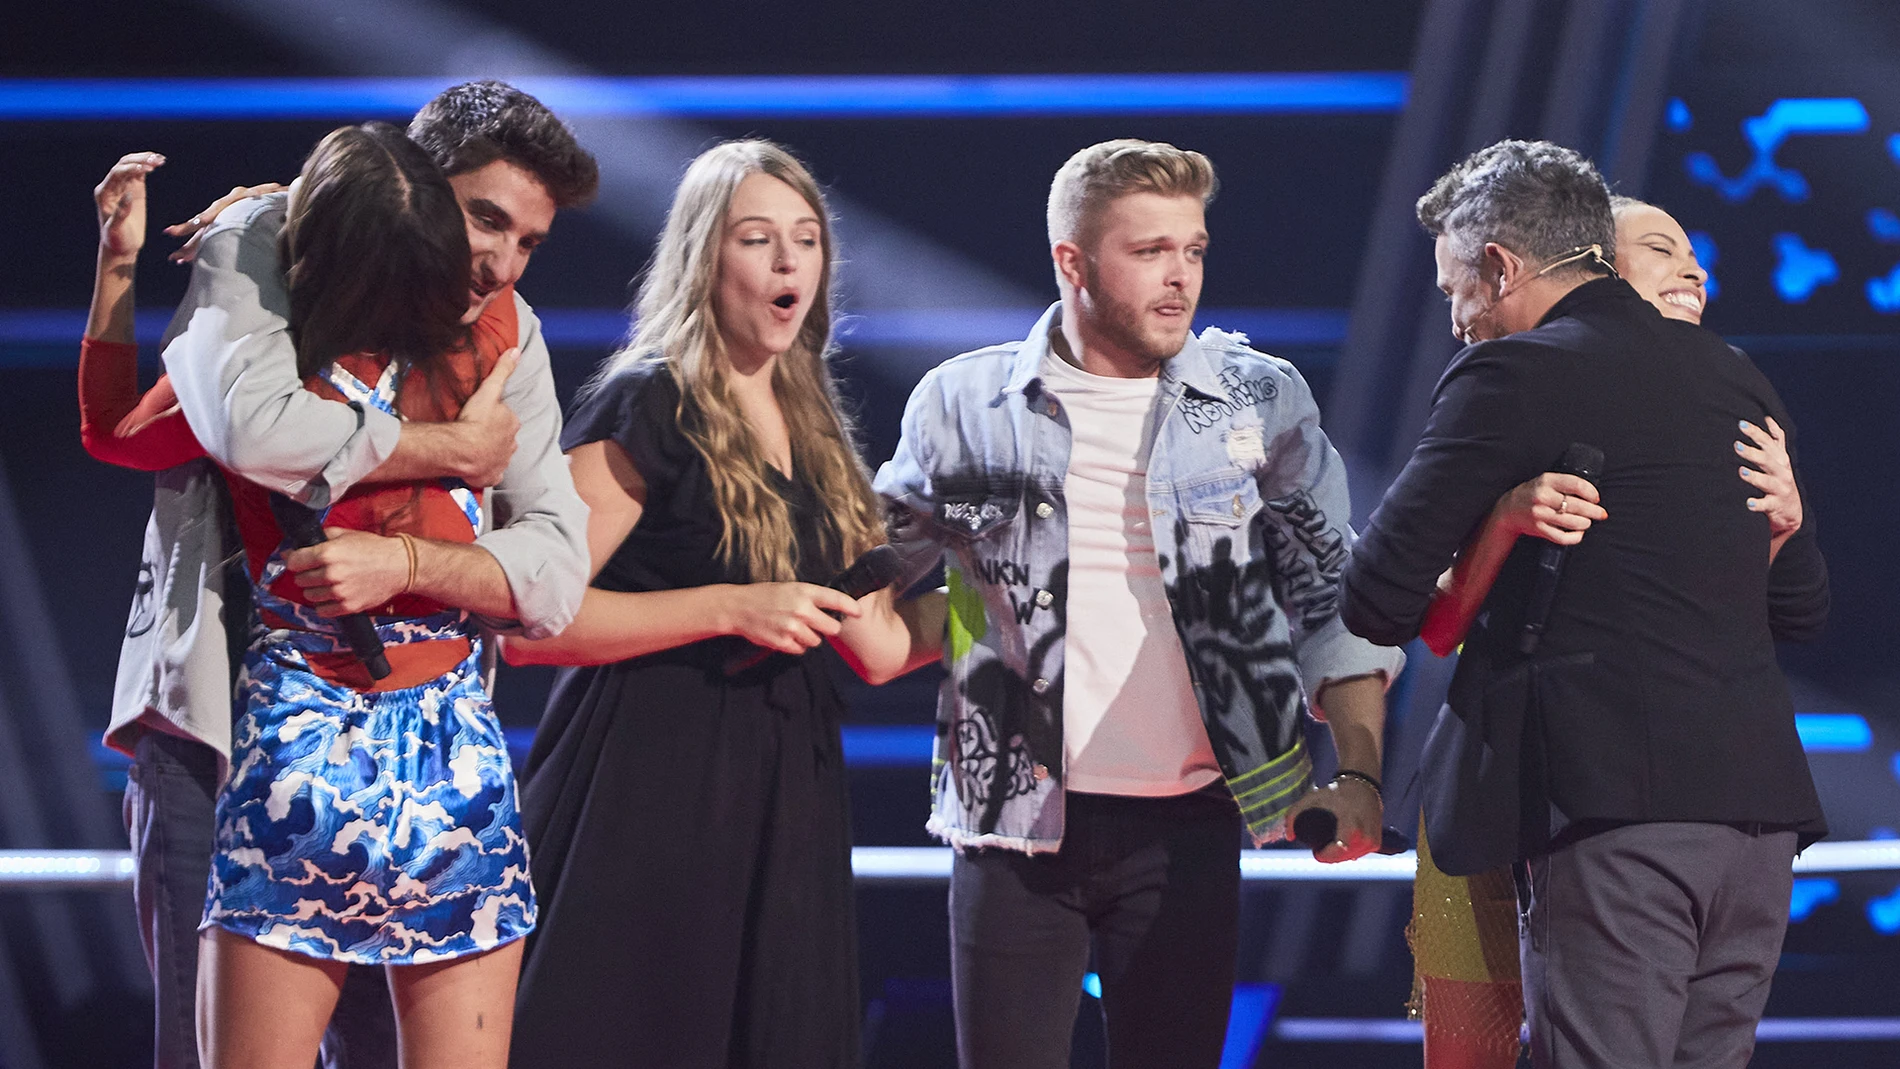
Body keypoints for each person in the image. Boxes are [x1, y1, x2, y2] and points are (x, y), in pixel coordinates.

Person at [845, 139, 1404, 1068]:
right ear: (1072, 260)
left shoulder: (1255, 399)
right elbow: (874, 562)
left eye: (1192, 249)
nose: (1180, 277)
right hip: (1013, 819)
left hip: (1193, 818)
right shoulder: (965, 402)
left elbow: (1329, 594)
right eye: (1150, 252)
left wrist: (1359, 773)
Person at [109, 80, 596, 1069]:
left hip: (436, 741)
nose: (501, 261)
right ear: (411, 186)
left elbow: (554, 576)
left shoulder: (511, 333)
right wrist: (454, 447)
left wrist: (412, 561)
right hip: (231, 732)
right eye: (484, 219)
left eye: (529, 242)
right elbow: (245, 429)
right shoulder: (260, 248)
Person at [1341, 140, 1829, 1069]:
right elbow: (1798, 614)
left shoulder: (1517, 373)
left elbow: (1376, 598)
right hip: (1759, 831)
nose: (1456, 322)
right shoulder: (1737, 379)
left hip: (1617, 820)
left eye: (1455, 289)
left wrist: (1488, 517)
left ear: (1499, 265)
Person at [502, 140, 884, 1069]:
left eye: (807, 239)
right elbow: (530, 626)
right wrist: (727, 606)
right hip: (652, 792)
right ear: (706, 257)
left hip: (783, 800)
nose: (791, 262)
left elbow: (874, 646)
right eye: (760, 240)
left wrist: (983, 596)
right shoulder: (652, 399)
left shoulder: (816, 424)